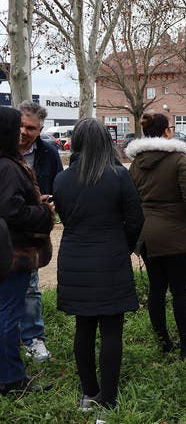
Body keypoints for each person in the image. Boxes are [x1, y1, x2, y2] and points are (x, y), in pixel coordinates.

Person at [54, 118, 144, 410]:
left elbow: (66, 218)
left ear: (76, 142)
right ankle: (108, 399)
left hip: (74, 255)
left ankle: (88, 392)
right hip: (111, 255)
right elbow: (135, 219)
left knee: (84, 327)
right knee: (111, 330)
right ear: (106, 142)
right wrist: (125, 245)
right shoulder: (118, 175)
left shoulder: (62, 179)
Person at [127, 113, 186, 357]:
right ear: (167, 132)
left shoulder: (136, 163)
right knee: (181, 291)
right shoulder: (179, 160)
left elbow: (130, 199)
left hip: (148, 235)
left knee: (156, 289)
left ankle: (163, 341)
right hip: (176, 234)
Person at [0, 107, 54, 396]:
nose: (22, 132)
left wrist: (34, 200)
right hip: (12, 253)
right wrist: (42, 211)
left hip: (8, 249)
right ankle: (11, 379)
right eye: (16, 127)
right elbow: (10, 209)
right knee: (8, 315)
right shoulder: (8, 166)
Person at [18, 100, 62, 362]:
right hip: (7, 225)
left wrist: (52, 203)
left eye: (31, 128)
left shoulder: (48, 152)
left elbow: (59, 182)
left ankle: (33, 338)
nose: (24, 132)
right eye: (21, 125)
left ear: (41, 129)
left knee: (31, 286)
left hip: (33, 230)